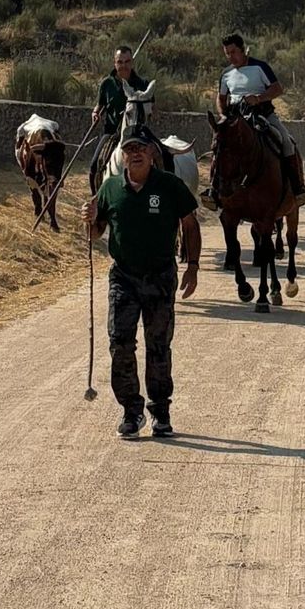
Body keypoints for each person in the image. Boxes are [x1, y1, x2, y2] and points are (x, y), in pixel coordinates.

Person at [82, 135, 202, 439]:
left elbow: (190, 224)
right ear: (122, 155)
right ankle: (131, 411)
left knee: (158, 345)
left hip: (160, 276)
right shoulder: (110, 187)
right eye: (129, 149)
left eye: (140, 148)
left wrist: (193, 266)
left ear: (151, 153)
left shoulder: (170, 185)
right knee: (120, 342)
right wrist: (91, 220)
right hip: (123, 277)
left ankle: (160, 411)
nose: (135, 153)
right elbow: (97, 232)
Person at [207, 33, 305, 209]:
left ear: (242, 50)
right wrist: (223, 114)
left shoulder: (260, 67)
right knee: (219, 145)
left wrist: (259, 98)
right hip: (235, 118)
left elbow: (277, 89)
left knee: (286, 142)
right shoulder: (226, 74)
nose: (231, 57)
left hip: (263, 114)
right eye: (227, 53)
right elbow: (221, 97)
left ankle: (297, 187)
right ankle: (214, 190)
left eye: (233, 52)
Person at [90, 45, 151, 187]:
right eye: (120, 62)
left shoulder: (143, 84)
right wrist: (95, 113)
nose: (124, 66)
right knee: (94, 165)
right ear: (115, 63)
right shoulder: (107, 84)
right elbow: (99, 105)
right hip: (112, 133)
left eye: (127, 61)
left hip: (140, 134)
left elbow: (153, 108)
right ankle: (97, 195)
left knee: (164, 157)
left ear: (132, 62)